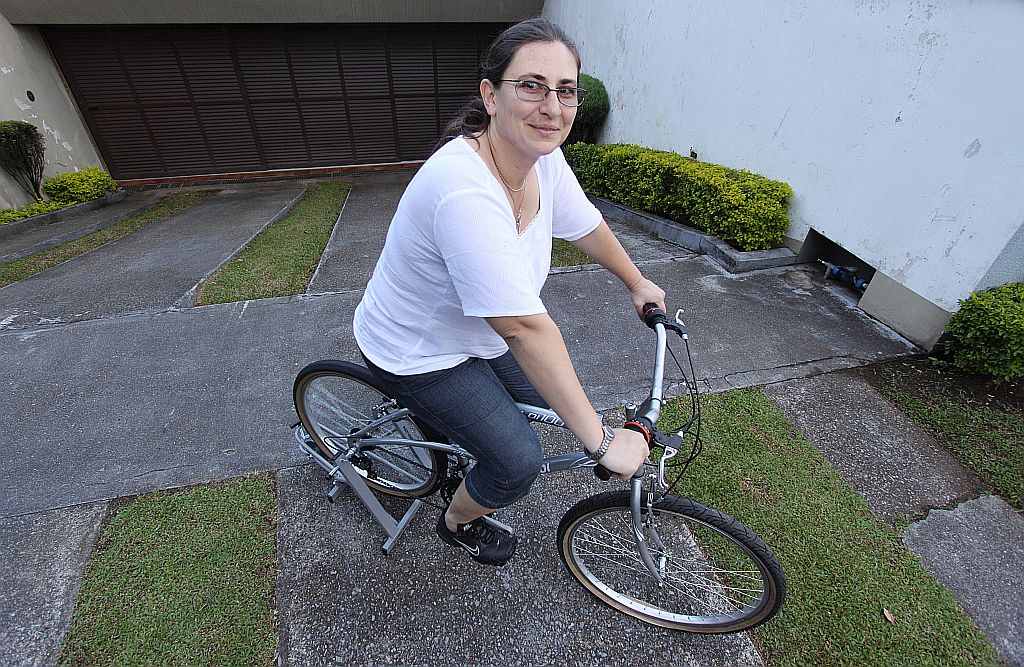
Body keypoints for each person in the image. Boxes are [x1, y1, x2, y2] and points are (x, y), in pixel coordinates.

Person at [353, 17, 665, 567]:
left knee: (549, 404)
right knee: (518, 461)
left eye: (565, 90)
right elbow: (522, 327)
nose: (551, 106)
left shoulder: (540, 159)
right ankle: (455, 520)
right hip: (419, 351)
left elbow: (585, 222)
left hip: (476, 336)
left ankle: (458, 436)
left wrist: (636, 281)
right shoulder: (462, 189)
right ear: (490, 95)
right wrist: (600, 442)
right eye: (531, 85)